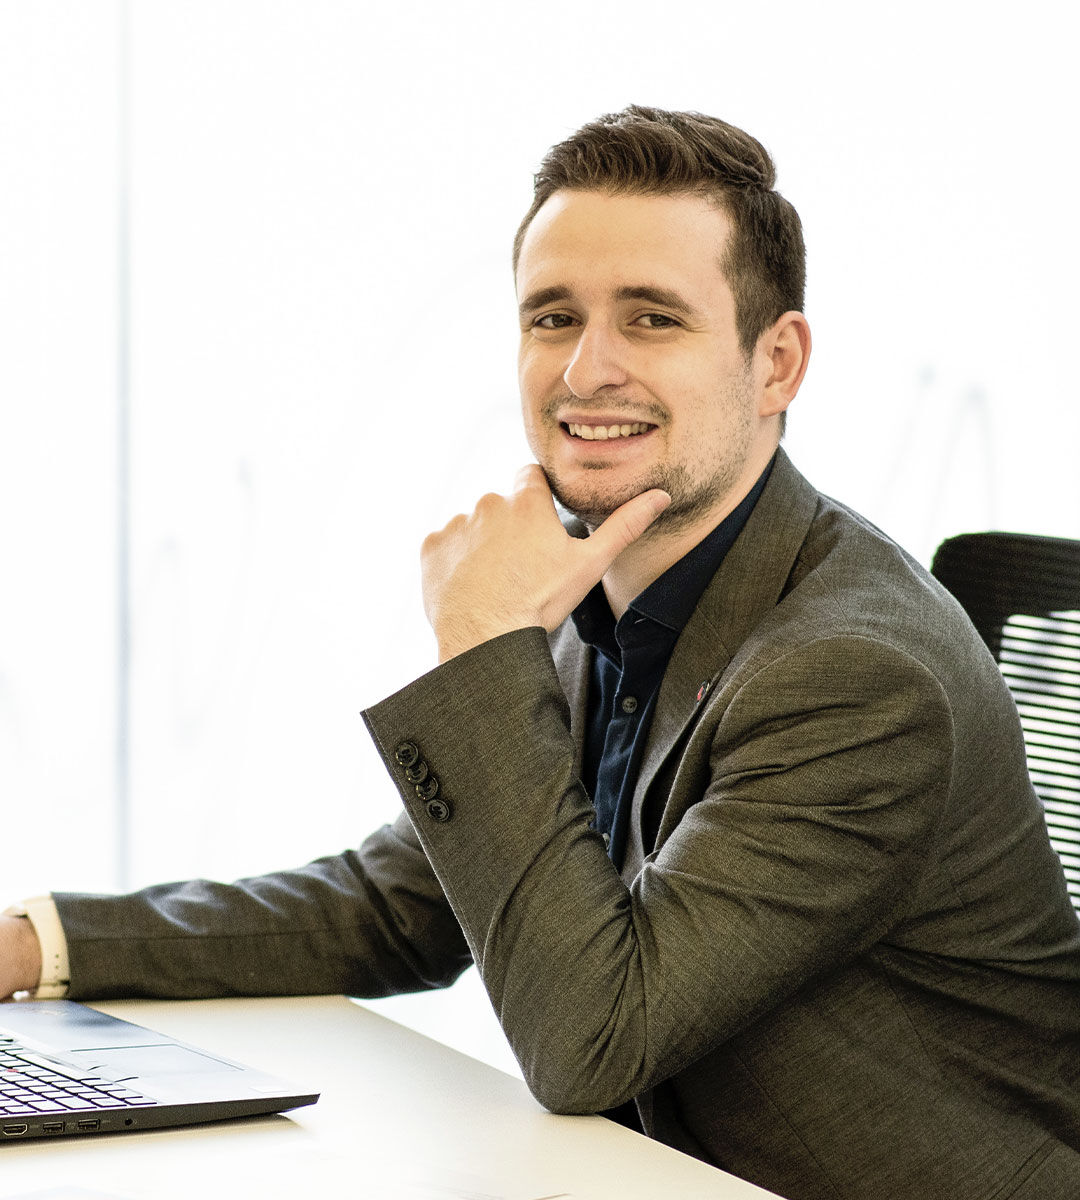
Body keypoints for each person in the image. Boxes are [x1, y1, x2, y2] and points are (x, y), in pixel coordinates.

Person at [3, 106, 1079, 1200]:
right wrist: (31, 947)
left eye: (653, 319)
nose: (585, 370)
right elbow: (398, 904)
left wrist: (481, 642)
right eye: (552, 317)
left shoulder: (857, 677)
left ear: (777, 364)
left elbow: (590, 1040)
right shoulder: (610, 589)